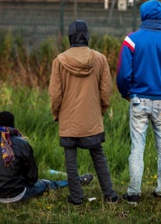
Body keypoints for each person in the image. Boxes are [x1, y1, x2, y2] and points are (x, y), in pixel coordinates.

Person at [48, 19, 119, 205]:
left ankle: (77, 198)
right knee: (98, 155)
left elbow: (55, 94)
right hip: (92, 117)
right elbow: (106, 90)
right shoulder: (100, 59)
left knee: (70, 160)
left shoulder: (59, 61)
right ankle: (110, 195)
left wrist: (56, 113)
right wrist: (101, 109)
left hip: (69, 119)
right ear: (87, 36)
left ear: (70, 37)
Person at [116, 0, 161, 205]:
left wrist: (126, 93)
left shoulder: (131, 40)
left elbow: (124, 74)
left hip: (138, 100)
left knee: (137, 147)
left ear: (143, 15)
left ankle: (133, 193)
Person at [0, 111, 94, 203]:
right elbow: (32, 178)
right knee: (46, 184)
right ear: (13, 126)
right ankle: (77, 181)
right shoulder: (22, 144)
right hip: (15, 195)